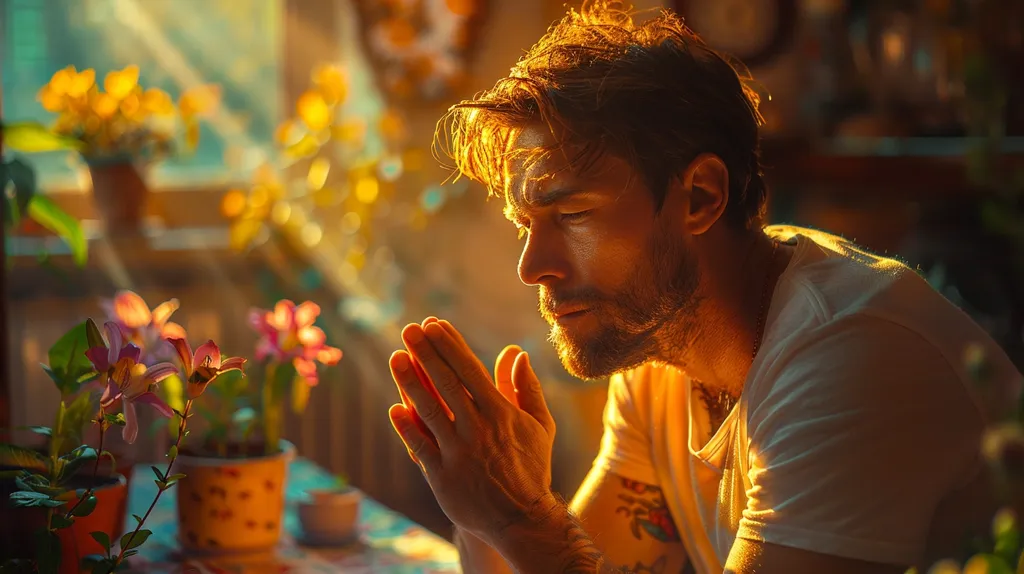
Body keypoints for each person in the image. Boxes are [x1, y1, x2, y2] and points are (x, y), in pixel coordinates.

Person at [384, 2, 1023, 572]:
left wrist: (522, 517)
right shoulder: (659, 349)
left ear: (701, 197)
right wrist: (482, 502)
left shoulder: (847, 361)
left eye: (573, 215)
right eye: (526, 223)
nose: (532, 265)